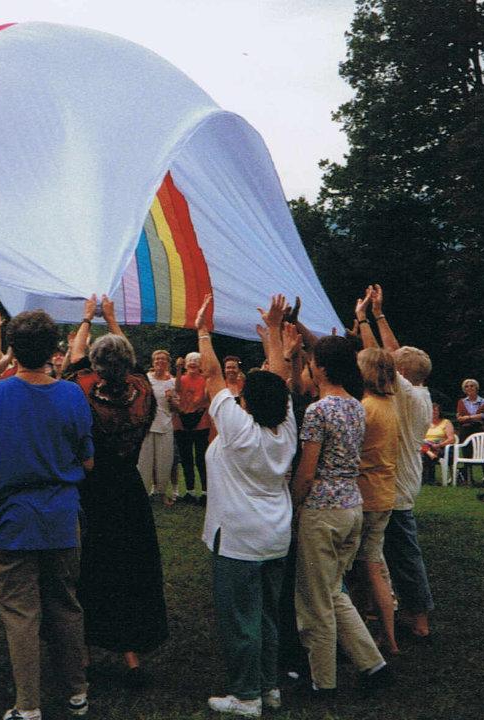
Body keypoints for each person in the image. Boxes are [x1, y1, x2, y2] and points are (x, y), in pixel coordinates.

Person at [0, 308, 94, 720]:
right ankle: (77, 692)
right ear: (53, 350)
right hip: (60, 514)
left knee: (20, 613)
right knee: (65, 604)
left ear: (12, 350)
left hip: (11, 518)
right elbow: (88, 462)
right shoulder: (72, 395)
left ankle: (28, 705)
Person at [198, 294, 298, 717]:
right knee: (269, 616)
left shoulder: (238, 429)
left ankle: (245, 696)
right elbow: (280, 379)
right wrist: (273, 332)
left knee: (242, 620)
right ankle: (270, 687)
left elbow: (211, 374)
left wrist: (204, 332)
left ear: (248, 402)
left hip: (238, 539)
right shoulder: (286, 425)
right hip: (275, 535)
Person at [62, 296, 167, 688]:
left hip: (92, 490)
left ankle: (87, 653)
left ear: (95, 365)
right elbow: (132, 361)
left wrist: (89, 319)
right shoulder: (143, 391)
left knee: (90, 568)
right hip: (129, 489)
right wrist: (112, 319)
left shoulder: (80, 391)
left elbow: (75, 360)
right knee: (129, 570)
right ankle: (131, 656)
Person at [290, 328, 390, 696]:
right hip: (352, 507)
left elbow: (307, 469)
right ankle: (373, 664)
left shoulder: (318, 412)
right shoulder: (356, 406)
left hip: (323, 511)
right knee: (334, 592)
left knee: (314, 602)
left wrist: (294, 503)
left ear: (320, 368)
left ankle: (323, 682)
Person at [357, 285, 435, 642]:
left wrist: (364, 319)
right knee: (386, 551)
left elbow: (380, 354)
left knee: (404, 555)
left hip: (398, 487)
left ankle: (419, 619)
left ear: (401, 372)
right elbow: (392, 352)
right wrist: (379, 313)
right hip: (402, 481)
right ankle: (385, 607)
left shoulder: (407, 394)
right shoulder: (418, 391)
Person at [352, 346, 401, 656]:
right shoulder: (389, 403)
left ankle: (385, 637)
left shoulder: (365, 407)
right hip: (384, 492)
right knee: (372, 566)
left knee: (370, 568)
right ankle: (385, 635)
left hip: (366, 494)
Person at [138, 349, 179, 506]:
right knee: (144, 463)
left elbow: (177, 408)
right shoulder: (145, 380)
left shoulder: (173, 382)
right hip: (147, 426)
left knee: (164, 463)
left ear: (168, 363)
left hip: (165, 425)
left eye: (163, 360)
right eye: (157, 359)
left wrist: (172, 401)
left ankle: (161, 493)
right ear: (153, 362)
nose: (160, 362)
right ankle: (143, 494)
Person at [175, 351, 211, 503]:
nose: (193, 363)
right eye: (190, 361)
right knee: (186, 458)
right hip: (182, 423)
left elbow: (205, 397)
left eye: (196, 361)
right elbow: (176, 390)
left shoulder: (205, 380)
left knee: (202, 459)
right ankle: (189, 491)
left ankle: (204, 492)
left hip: (201, 422)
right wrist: (177, 369)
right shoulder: (181, 379)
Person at [419, 402, 455, 485]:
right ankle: (429, 479)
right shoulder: (426, 423)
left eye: (435, 410)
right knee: (423, 445)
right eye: (431, 410)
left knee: (424, 453)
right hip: (427, 445)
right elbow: (420, 438)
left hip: (441, 447)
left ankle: (427, 479)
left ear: (439, 412)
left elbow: (451, 439)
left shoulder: (446, 422)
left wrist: (439, 445)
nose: (433, 412)